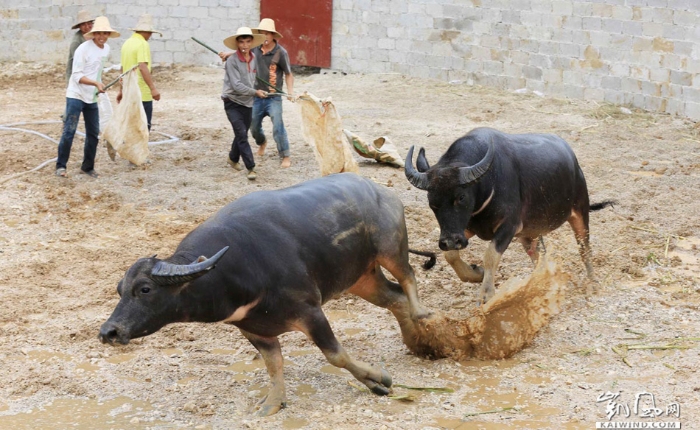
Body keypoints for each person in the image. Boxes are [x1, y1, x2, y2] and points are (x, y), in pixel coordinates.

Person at [55, 16, 119, 178]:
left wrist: (99, 84)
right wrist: (96, 84)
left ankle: (87, 166)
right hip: (76, 94)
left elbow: (96, 71)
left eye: (105, 34)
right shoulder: (83, 49)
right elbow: (77, 76)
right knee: (69, 131)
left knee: (93, 133)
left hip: (91, 96)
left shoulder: (106, 49)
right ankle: (61, 166)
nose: (102, 37)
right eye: (99, 33)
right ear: (93, 33)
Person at [219, 27, 267, 180]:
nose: (245, 45)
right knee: (241, 135)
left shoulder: (253, 57)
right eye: (241, 42)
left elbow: (252, 77)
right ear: (237, 43)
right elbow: (236, 85)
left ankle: (233, 158)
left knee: (241, 133)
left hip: (248, 102)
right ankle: (251, 168)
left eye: (247, 42)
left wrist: (259, 90)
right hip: (231, 101)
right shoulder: (232, 61)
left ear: (252, 42)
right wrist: (256, 92)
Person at [251, 18, 295, 168]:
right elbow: (240, 53)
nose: (265, 37)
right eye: (262, 34)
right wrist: (228, 55)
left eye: (267, 34)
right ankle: (262, 142)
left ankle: (285, 155)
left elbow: (289, 74)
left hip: (273, 97)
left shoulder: (281, 53)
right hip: (257, 95)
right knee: (253, 126)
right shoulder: (254, 48)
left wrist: (290, 92)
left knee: (277, 125)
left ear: (273, 35)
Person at [117, 14, 161, 131]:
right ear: (147, 32)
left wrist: (121, 90)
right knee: (143, 127)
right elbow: (142, 67)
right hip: (142, 93)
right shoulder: (143, 44)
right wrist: (153, 88)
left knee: (130, 126)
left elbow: (122, 69)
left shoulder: (127, 43)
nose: (150, 36)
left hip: (128, 92)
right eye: (150, 33)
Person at [66, 10, 94, 82]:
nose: (87, 26)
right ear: (79, 26)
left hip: (90, 74)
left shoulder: (94, 36)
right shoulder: (76, 41)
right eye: (83, 24)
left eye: (89, 23)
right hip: (77, 75)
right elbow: (77, 62)